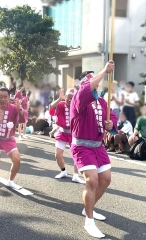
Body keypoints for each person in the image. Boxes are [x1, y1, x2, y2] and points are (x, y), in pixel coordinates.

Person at [70, 61, 117, 239]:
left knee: (105, 180)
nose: (96, 84)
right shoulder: (79, 97)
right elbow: (85, 90)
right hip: (81, 145)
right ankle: (89, 221)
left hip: (98, 146)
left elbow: (112, 120)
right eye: (93, 82)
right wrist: (104, 70)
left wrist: (111, 124)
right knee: (92, 180)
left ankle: (87, 208)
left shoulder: (103, 101)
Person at [49, 88, 85, 184]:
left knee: (76, 156)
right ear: (65, 97)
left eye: (72, 98)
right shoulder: (61, 105)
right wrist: (59, 99)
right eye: (68, 97)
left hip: (74, 134)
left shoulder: (78, 106)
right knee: (58, 155)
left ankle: (76, 175)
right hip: (62, 132)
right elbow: (51, 109)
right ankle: (63, 171)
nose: (70, 100)